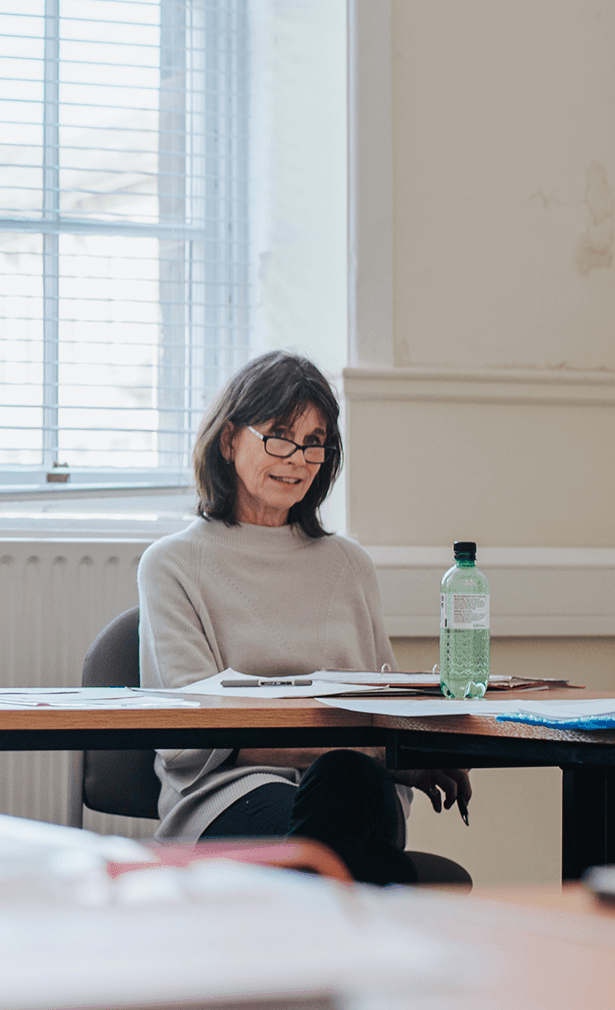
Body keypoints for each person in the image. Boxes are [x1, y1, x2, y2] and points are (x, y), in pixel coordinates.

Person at [136, 351, 471, 885]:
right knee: (360, 836)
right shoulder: (172, 564)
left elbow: (385, 707)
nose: (298, 459)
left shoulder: (349, 564)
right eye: (279, 436)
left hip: (361, 787)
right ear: (229, 440)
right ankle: (369, 888)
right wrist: (369, 752)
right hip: (232, 794)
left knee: (345, 777)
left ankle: (313, 902)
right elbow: (194, 737)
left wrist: (416, 735)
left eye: (315, 442)